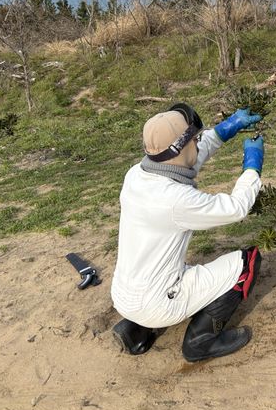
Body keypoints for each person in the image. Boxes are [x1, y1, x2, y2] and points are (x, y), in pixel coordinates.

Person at [110, 102, 265, 362]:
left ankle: (135, 330)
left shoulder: (137, 174)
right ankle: (200, 343)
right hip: (156, 303)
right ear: (180, 147)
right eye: (195, 138)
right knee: (246, 263)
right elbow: (236, 208)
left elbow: (185, 159)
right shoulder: (175, 200)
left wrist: (223, 131)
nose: (198, 142)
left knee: (170, 268)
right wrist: (253, 166)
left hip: (123, 296)